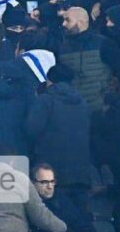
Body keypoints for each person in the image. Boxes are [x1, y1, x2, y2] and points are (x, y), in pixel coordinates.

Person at [25, 65, 92, 207]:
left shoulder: (45, 100)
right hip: (80, 167)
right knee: (80, 209)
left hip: (53, 168)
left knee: (56, 209)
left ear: (50, 81)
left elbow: (31, 129)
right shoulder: (82, 101)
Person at [59, 7, 120, 112]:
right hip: (73, 110)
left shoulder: (103, 44)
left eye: (67, 20)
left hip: (100, 108)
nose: (63, 24)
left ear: (81, 23)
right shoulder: (61, 48)